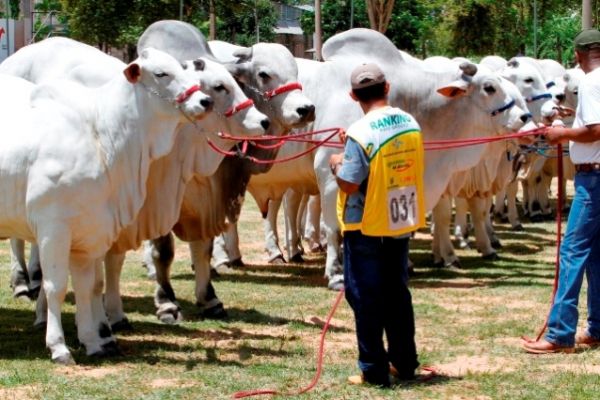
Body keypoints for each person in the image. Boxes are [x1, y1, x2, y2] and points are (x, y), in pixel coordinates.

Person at [329, 63, 425, 385]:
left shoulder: (361, 133)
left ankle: (374, 371)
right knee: (397, 293)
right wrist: (352, 146)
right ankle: (405, 363)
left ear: (353, 95)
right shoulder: (410, 123)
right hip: (398, 220)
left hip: (365, 225)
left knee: (364, 296)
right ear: (387, 88)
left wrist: (337, 161)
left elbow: (349, 184)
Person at [523, 29, 600, 354]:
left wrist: (560, 133)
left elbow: (596, 130)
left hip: (593, 180)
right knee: (596, 256)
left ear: (579, 55)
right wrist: (575, 120)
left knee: (572, 252)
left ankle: (560, 334)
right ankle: (597, 328)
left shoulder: (592, 81)